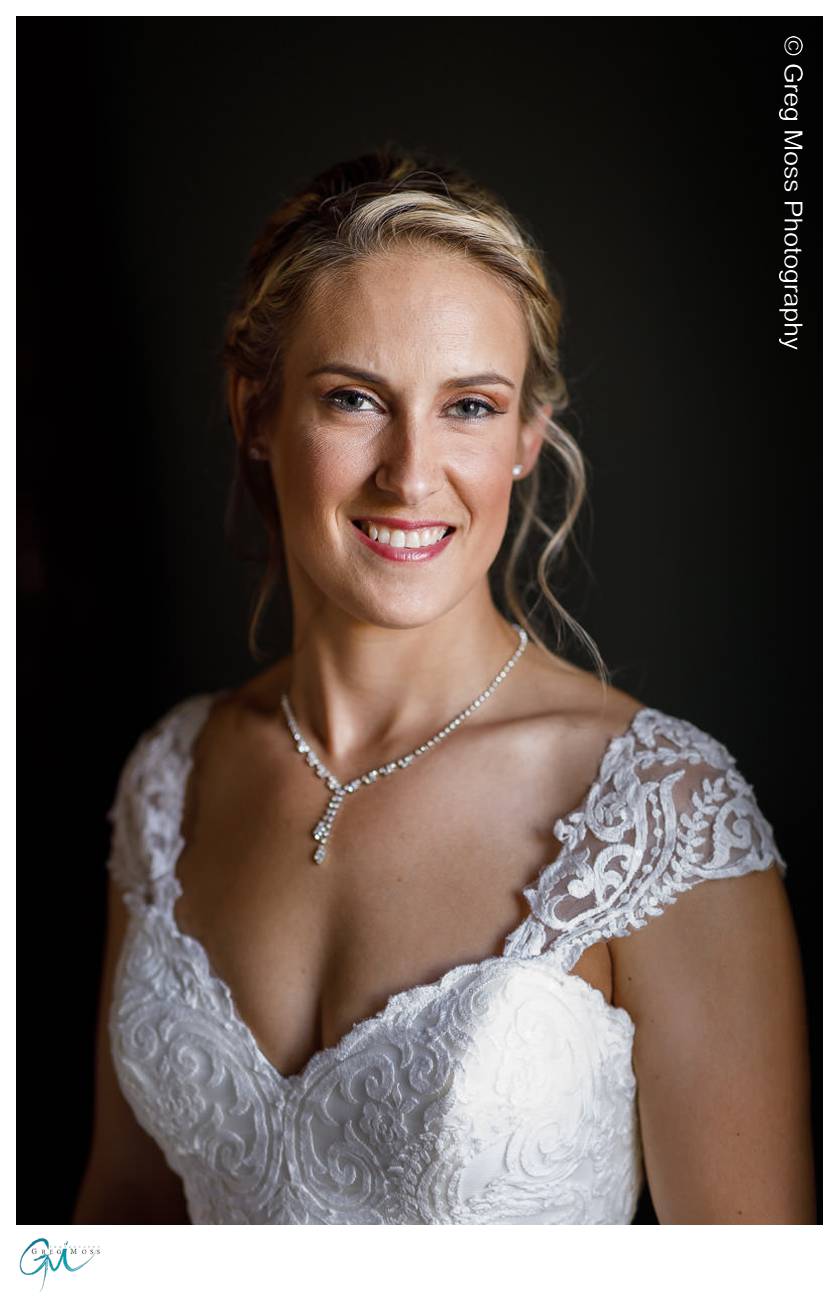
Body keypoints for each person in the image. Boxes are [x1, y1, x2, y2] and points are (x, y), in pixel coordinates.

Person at [73, 147, 816, 1226]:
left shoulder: (660, 815)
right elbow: (121, 1213)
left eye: (468, 406)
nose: (411, 474)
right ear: (255, 408)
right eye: (353, 399)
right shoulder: (172, 777)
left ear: (524, 436)